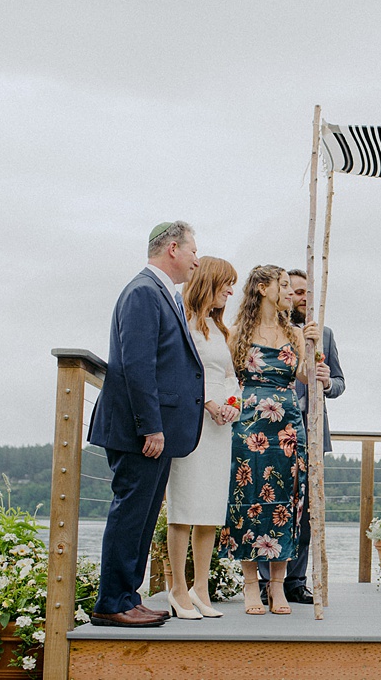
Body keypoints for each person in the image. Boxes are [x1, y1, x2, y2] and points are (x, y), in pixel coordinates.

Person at [88, 221, 204, 628]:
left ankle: (127, 597)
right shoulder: (143, 292)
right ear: (173, 248)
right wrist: (150, 426)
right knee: (131, 514)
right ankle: (111, 602)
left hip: (154, 431)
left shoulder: (162, 294)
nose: (196, 260)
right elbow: (136, 365)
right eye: (193, 250)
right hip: (140, 431)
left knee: (142, 516)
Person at [218, 265, 323, 615]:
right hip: (249, 425)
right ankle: (251, 585)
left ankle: (277, 587)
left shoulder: (294, 333)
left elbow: (306, 376)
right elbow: (225, 378)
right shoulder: (237, 333)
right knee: (248, 499)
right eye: (284, 286)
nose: (291, 293)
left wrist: (314, 347)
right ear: (263, 289)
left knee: (287, 501)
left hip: (288, 426)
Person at [258, 268, 345, 605]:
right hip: (272, 431)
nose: (302, 298)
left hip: (311, 432)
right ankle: (267, 581)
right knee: (269, 502)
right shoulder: (270, 331)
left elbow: (339, 383)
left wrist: (326, 380)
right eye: (296, 292)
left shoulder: (324, 334)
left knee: (306, 509)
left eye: (307, 292)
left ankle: (295, 581)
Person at [164, 256, 240, 620]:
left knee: (210, 509)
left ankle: (201, 587)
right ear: (209, 281)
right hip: (191, 422)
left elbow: (229, 375)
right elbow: (178, 372)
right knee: (183, 507)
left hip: (219, 427)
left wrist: (232, 404)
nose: (230, 292)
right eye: (226, 284)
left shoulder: (218, 328)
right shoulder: (182, 321)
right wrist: (208, 402)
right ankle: (178, 588)